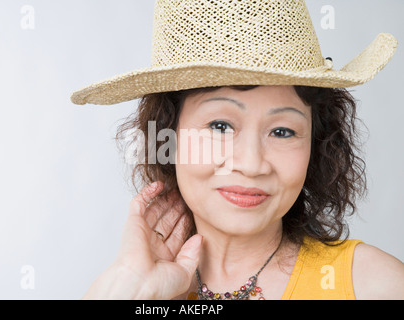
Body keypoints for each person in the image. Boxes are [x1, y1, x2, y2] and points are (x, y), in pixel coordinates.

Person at [70, 0, 404, 299]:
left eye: (283, 131)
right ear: (167, 135)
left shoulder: (373, 285)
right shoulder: (135, 290)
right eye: (220, 126)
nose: (251, 163)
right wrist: (130, 285)